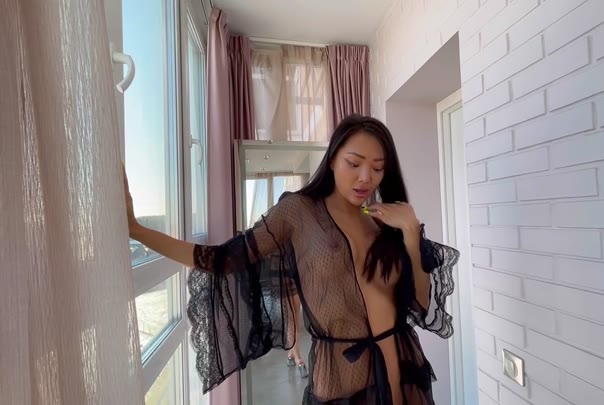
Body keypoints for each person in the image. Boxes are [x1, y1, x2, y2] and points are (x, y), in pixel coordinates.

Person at [124, 114, 459, 405]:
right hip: (341, 385)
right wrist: (138, 231)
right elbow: (222, 259)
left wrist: (411, 233)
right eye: (354, 163)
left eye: (377, 168)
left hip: (404, 376)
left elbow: (422, 304)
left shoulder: (384, 222)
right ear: (332, 159)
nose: (365, 178)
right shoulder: (299, 213)